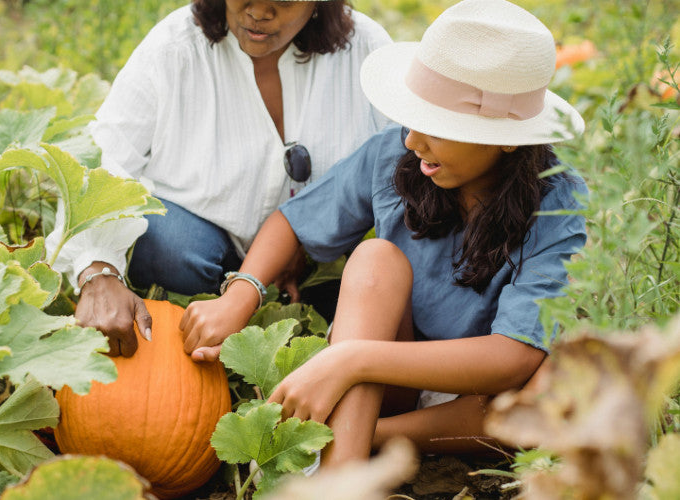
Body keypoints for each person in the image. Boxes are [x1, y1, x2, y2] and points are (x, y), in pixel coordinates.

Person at [180, 0, 588, 466]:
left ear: (508, 137)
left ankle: (364, 437)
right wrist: (242, 294)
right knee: (376, 258)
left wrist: (350, 360)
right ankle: (341, 477)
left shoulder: (560, 205)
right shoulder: (398, 154)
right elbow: (292, 221)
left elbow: (511, 358)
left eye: (437, 125)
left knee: (555, 388)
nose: (413, 141)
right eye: (414, 118)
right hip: (389, 369)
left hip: (481, 401)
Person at [44, 0, 393, 357]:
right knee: (164, 244)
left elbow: (402, 168)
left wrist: (304, 239)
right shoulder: (174, 47)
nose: (258, 12)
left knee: (363, 276)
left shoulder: (366, 51)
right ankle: (217, 312)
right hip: (200, 251)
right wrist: (97, 270)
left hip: (314, 262)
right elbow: (105, 156)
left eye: (283, 1)